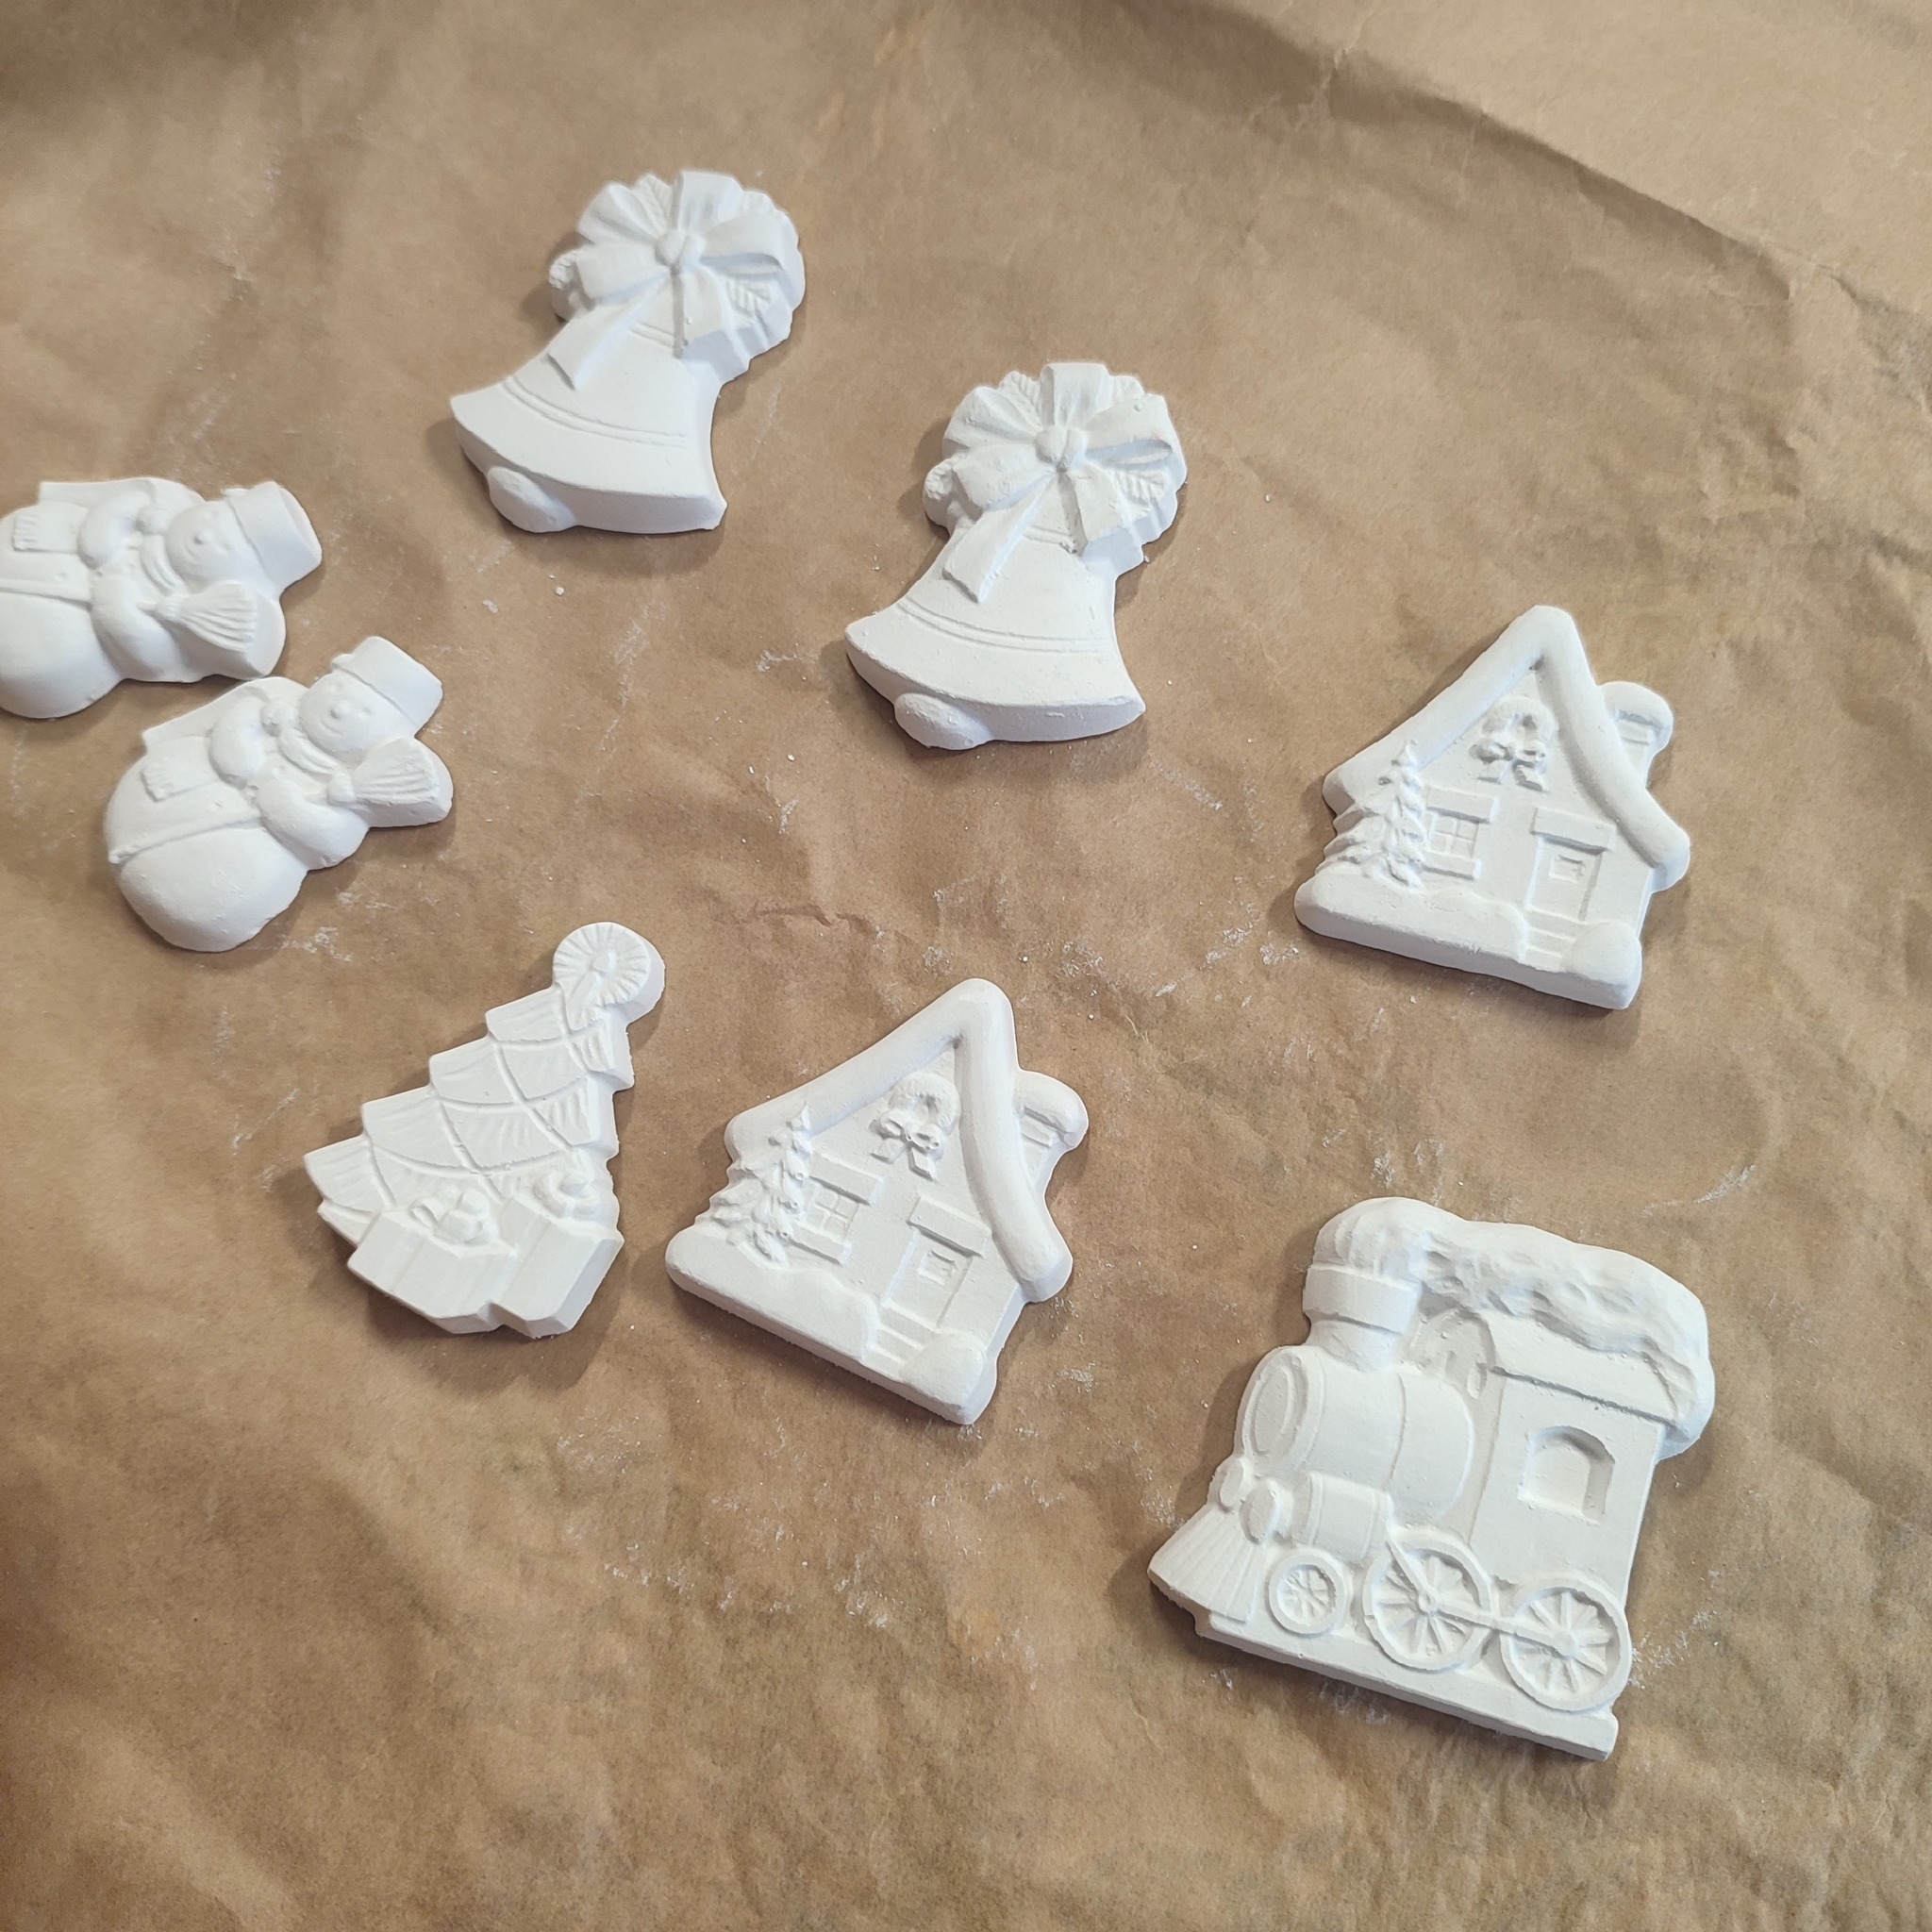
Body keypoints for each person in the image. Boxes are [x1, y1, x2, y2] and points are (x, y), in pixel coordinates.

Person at [105, 636, 452, 951]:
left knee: (253, 874)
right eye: (337, 689)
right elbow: (224, 736)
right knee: (184, 759)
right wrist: (246, 727)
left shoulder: (352, 788)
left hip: (220, 872)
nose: (339, 709)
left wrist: (283, 806)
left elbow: (332, 842)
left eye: (365, 712)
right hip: (164, 800)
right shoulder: (274, 700)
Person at [0, 477, 321, 718]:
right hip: (36, 554)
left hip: (48, 636)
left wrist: (117, 612)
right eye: (213, 516)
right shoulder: (154, 512)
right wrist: (127, 512)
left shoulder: (187, 615)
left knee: (51, 657)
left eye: (224, 548)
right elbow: (94, 541)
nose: (203, 535)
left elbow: (151, 659)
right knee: (58, 525)